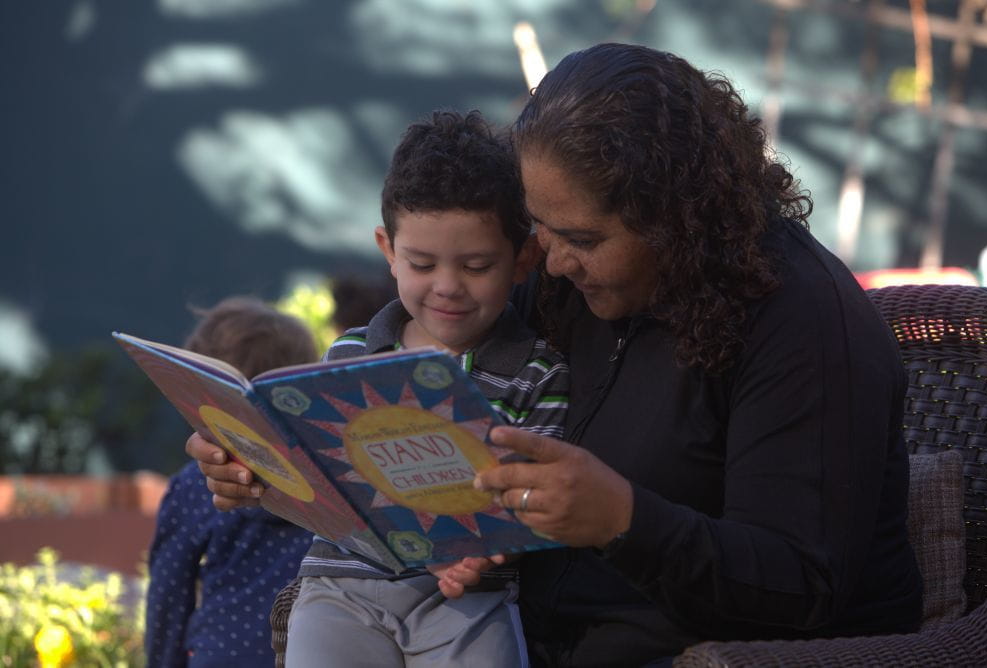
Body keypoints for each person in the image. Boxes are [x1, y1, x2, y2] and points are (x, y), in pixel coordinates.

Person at [190, 44, 923, 666]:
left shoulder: (804, 322)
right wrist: (278, 458)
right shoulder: (572, 283)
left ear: (677, 221)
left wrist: (623, 518)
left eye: (583, 239)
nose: (553, 262)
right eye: (540, 230)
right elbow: (435, 376)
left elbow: (801, 582)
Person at [192, 109, 569, 667]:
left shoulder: (539, 372)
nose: (447, 287)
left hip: (468, 598)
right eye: (421, 262)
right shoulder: (349, 355)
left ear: (523, 260)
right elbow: (315, 475)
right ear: (388, 251)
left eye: (476, 265)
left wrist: (485, 547)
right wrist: (247, 459)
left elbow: (540, 498)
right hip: (340, 588)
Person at [145, 296, 317, 667]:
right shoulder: (323, 482)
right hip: (309, 651)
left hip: (220, 654)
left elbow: (168, 593)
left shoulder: (194, 485)